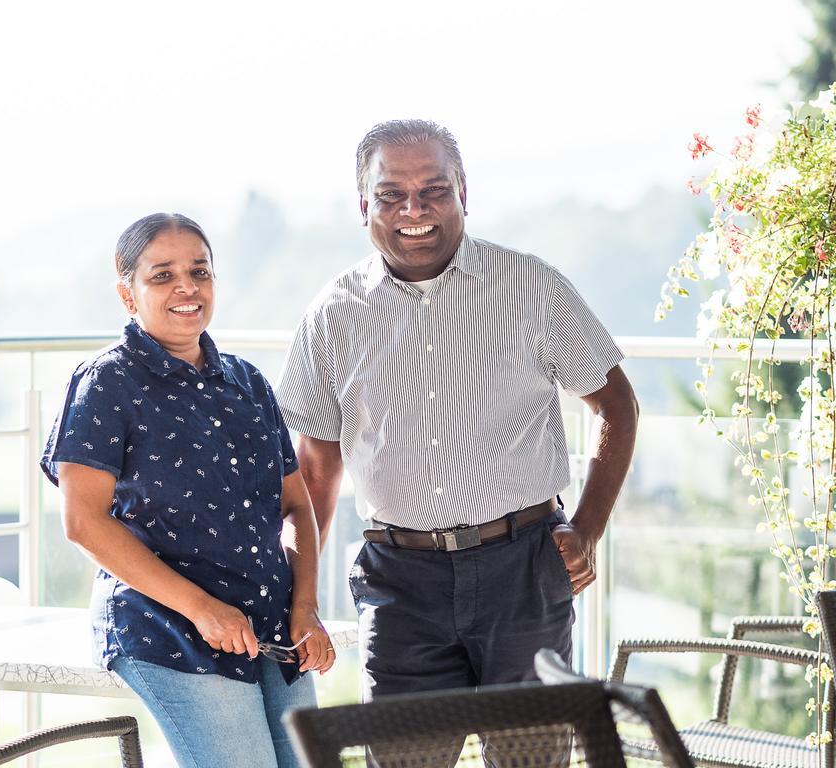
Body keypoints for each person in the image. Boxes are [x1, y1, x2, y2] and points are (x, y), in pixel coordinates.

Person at [277, 120, 639, 708]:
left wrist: (588, 528)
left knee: (530, 754)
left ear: (463, 193)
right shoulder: (330, 315)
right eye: (391, 194)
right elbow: (316, 472)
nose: (413, 209)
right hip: (398, 582)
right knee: (402, 755)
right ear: (364, 202)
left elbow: (616, 407)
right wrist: (303, 601)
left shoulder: (530, 285)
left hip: (523, 566)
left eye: (435, 190)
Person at [41, 213, 333, 768]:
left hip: (269, 620)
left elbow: (295, 505)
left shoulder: (248, 382)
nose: (186, 287)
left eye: (200, 271)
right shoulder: (106, 381)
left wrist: (306, 607)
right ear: (127, 294)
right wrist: (203, 610)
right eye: (162, 275)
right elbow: (83, 522)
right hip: (167, 625)